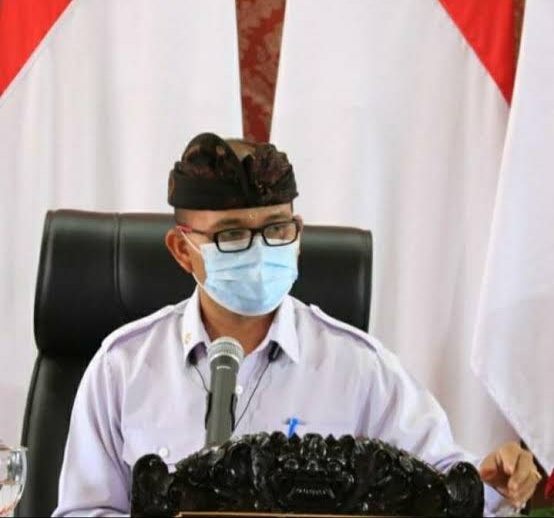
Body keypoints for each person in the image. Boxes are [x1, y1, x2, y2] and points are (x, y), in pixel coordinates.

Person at [54, 132, 541, 517]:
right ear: (183, 250)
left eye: (276, 228)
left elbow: (444, 487)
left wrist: (494, 482)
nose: (259, 249)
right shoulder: (122, 367)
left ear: (298, 234)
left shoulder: (358, 368)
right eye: (231, 235)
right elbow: (84, 510)